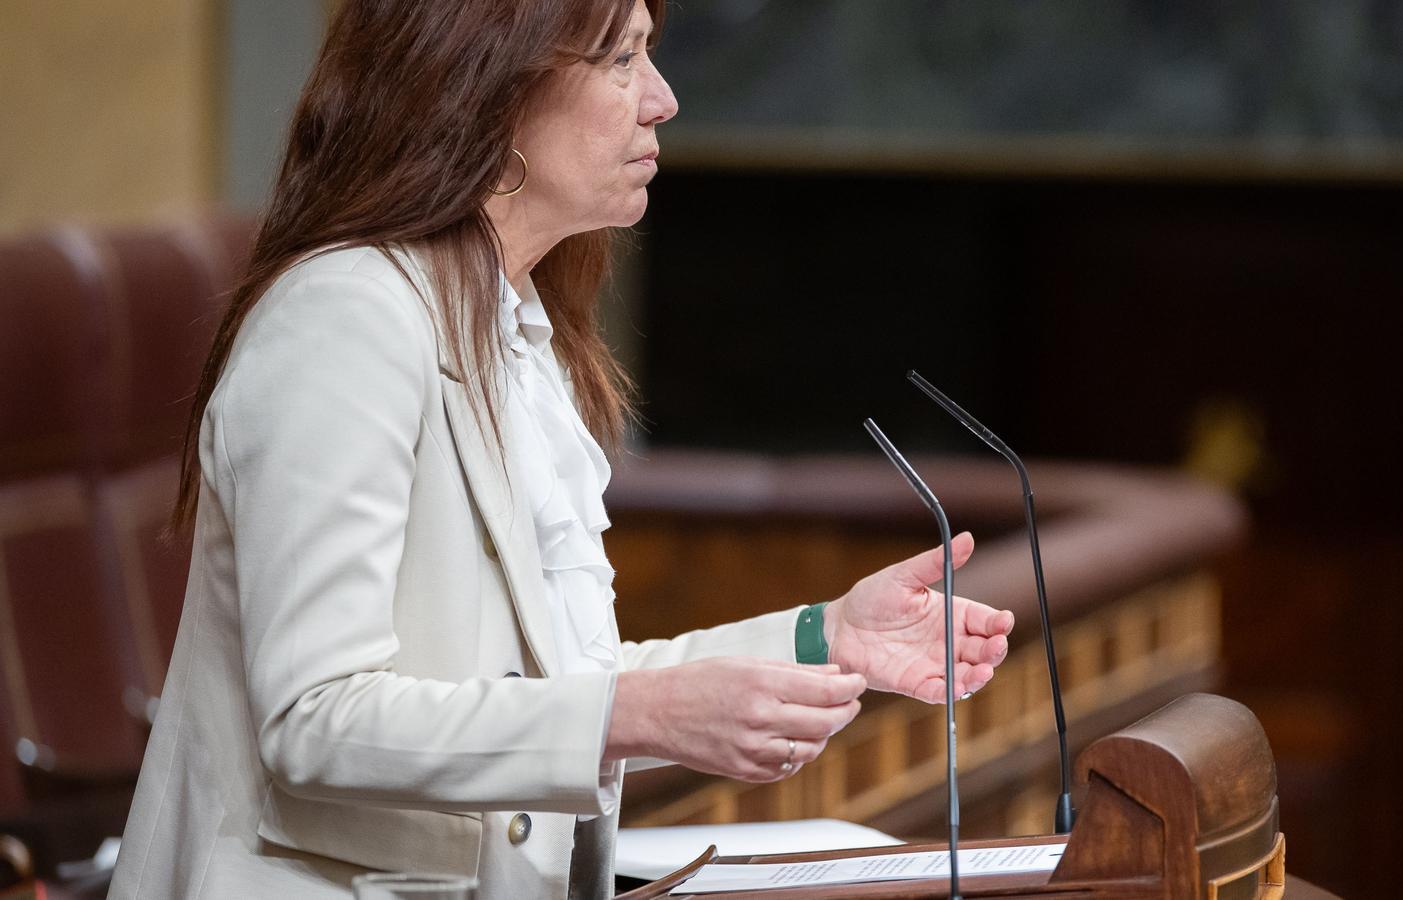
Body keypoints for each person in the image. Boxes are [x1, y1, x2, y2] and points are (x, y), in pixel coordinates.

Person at [108, 1, 1015, 897]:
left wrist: (827, 638)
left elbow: (558, 685)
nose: (661, 99)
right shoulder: (344, 316)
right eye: (622, 60)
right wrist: (638, 717)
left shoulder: (513, 331)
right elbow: (314, 718)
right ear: (489, 89)